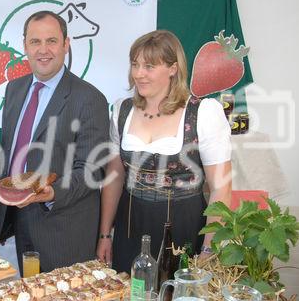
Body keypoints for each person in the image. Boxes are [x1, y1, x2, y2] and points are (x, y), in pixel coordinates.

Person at [96, 30, 232, 273]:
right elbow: (114, 177)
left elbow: (220, 187)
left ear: (173, 68)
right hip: (131, 223)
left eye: (149, 66)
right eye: (135, 64)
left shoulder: (204, 113)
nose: (138, 73)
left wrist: (210, 248)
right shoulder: (122, 111)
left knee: (175, 300)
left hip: (184, 224)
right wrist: (105, 234)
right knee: (129, 296)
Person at [0, 11, 109, 273]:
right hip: (18, 224)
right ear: (24, 46)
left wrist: (52, 193)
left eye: (52, 41)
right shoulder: (14, 89)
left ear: (66, 44)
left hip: (63, 232)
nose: (43, 50)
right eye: (35, 42)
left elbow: (91, 172)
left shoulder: (89, 99)